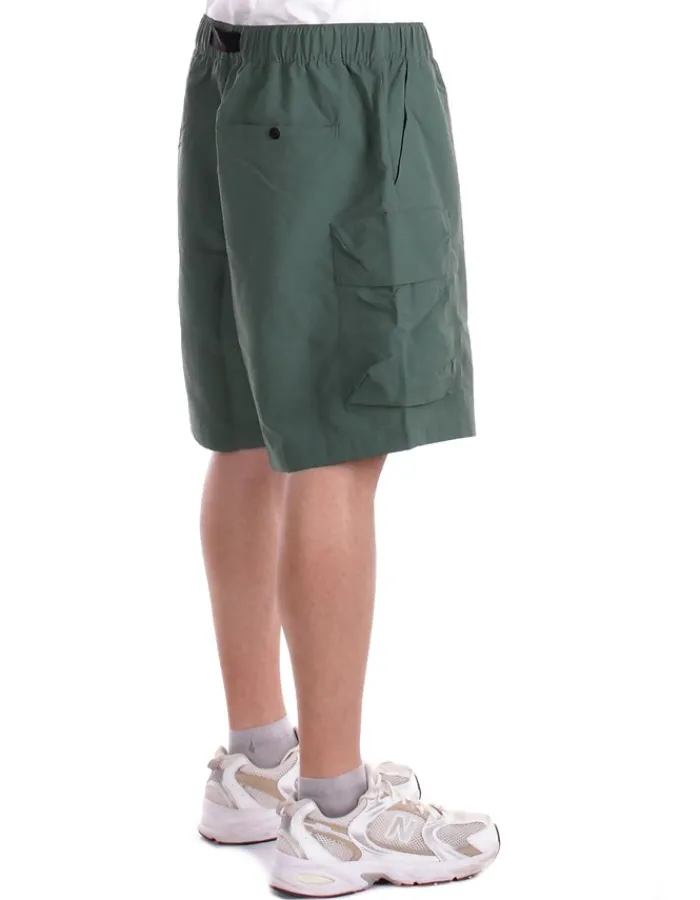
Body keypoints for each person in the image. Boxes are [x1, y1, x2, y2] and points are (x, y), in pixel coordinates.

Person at [178, 1, 499, 894]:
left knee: (251, 430)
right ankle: (334, 809)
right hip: (342, 70)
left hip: (235, 62)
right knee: (335, 442)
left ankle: (257, 761)